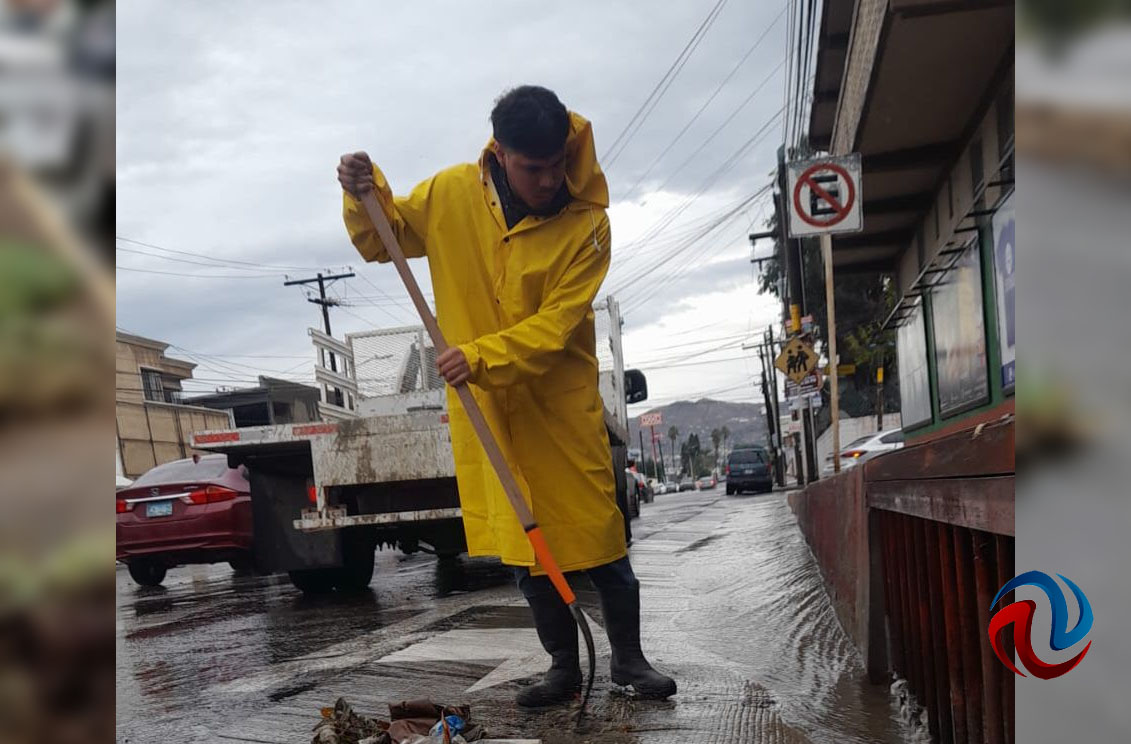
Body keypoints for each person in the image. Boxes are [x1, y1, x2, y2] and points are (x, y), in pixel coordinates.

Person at [337, 85, 675, 707]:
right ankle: (562, 669)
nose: (549, 180)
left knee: (601, 539)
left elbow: (556, 324)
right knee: (527, 549)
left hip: (558, 406)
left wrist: (481, 355)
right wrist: (364, 192)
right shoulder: (449, 195)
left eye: (557, 165)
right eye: (533, 167)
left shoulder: (587, 225)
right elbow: (381, 239)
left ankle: (629, 660)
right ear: (499, 152)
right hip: (485, 408)